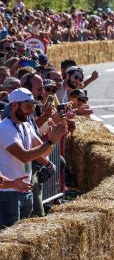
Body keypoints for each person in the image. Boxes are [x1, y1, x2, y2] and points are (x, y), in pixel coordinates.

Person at [0, 88, 67, 228]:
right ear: (14, 105)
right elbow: (24, 156)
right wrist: (51, 141)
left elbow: (42, 153)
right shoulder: (4, 128)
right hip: (8, 193)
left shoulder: (26, 126)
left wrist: (54, 139)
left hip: (24, 189)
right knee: (10, 238)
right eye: (28, 106)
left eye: (33, 106)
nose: (31, 110)